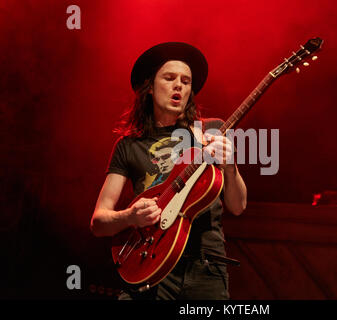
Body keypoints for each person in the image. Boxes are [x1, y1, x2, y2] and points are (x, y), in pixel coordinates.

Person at [90, 42, 247, 300]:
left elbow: (238, 206)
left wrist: (230, 167)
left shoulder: (211, 132)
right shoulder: (129, 145)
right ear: (150, 88)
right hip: (148, 265)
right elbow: (99, 222)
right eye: (170, 78)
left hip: (205, 269)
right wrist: (130, 216)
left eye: (186, 81)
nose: (179, 86)